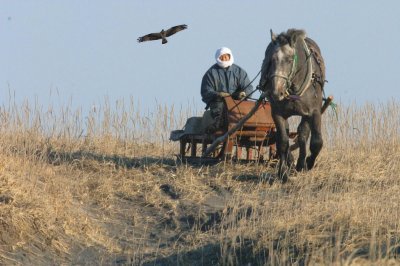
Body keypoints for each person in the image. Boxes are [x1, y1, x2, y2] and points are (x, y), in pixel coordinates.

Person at [201, 47, 253, 133]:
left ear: (230, 56)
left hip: (238, 104)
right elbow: (206, 91)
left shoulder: (239, 72)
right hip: (218, 104)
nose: (224, 59)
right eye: (222, 57)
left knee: (249, 116)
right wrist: (218, 94)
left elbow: (249, 87)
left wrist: (244, 93)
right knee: (221, 119)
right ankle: (216, 127)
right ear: (218, 58)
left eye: (226, 57)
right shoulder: (211, 73)